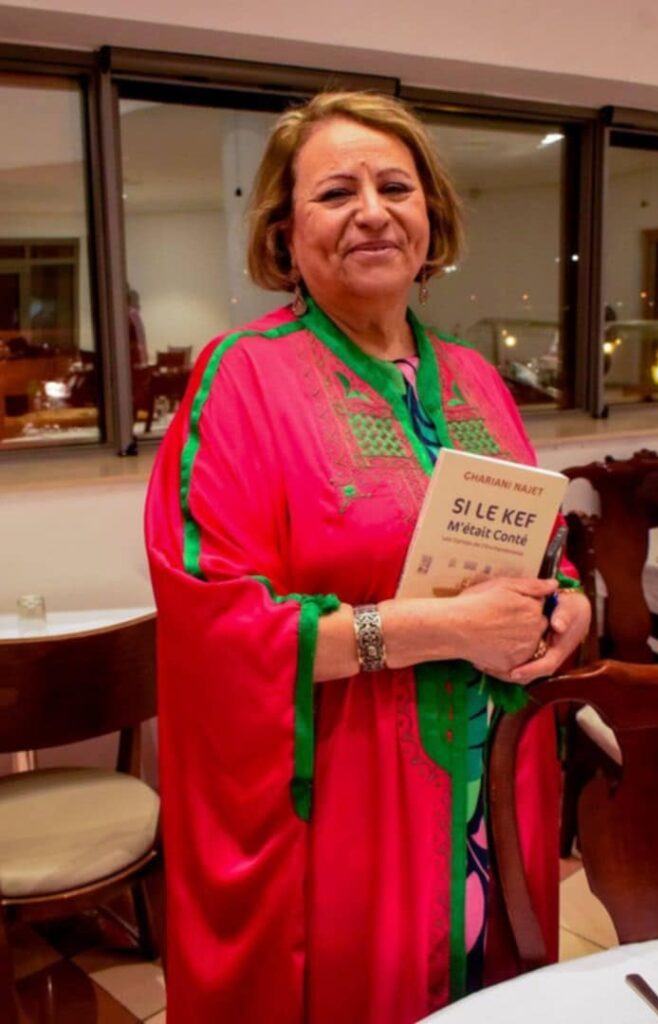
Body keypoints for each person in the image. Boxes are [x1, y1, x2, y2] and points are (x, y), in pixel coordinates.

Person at [145, 92, 591, 1024]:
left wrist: (568, 606)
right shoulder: (241, 377)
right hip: (346, 802)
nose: (372, 212)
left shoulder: (474, 378)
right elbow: (217, 621)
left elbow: (539, 547)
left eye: (395, 187)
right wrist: (440, 629)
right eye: (335, 193)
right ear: (284, 230)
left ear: (431, 216)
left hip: (492, 777)